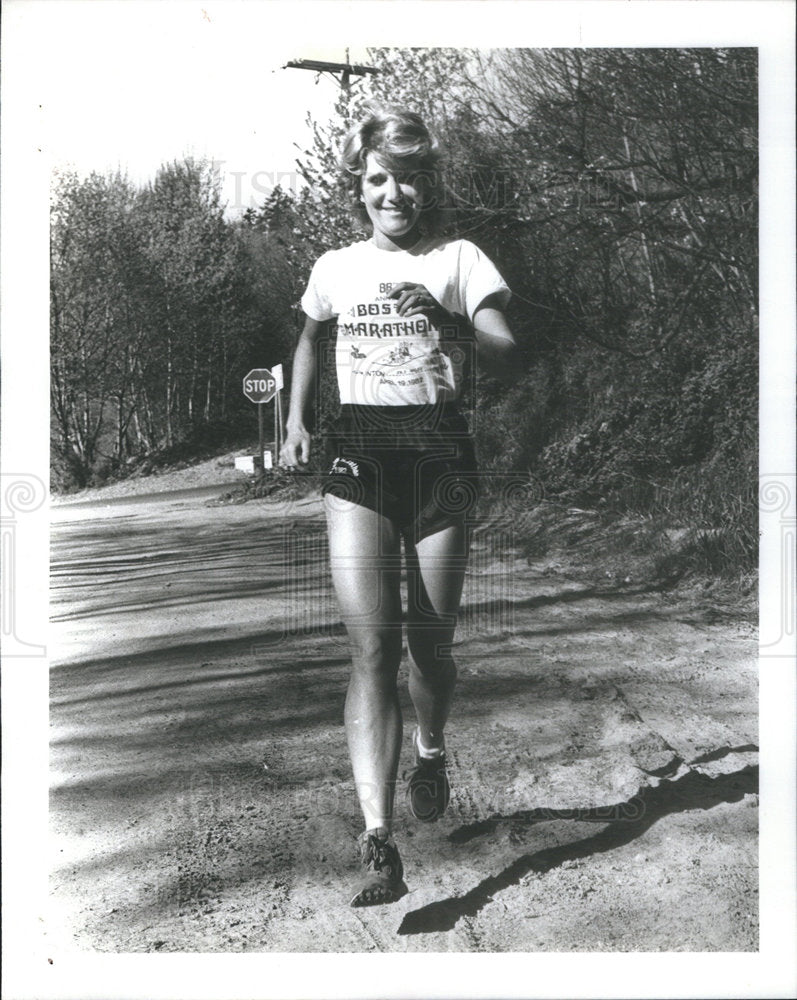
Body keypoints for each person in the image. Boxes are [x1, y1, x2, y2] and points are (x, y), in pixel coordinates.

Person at [280, 103, 516, 907]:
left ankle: (432, 745)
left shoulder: (458, 258)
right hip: (358, 460)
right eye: (380, 178)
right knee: (373, 651)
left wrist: (449, 320)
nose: (394, 193)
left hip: (440, 463)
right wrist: (293, 423)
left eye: (409, 179)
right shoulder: (333, 266)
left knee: (430, 649)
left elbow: (507, 344)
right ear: (360, 186)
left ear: (427, 185)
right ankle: (377, 839)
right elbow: (309, 337)